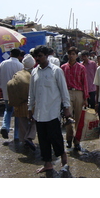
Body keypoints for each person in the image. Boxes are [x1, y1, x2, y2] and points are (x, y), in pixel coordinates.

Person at [28, 45, 71, 173]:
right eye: (36, 56)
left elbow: (64, 90)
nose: (37, 59)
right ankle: (48, 164)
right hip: (39, 113)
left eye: (40, 56)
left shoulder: (56, 71)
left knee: (56, 137)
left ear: (46, 56)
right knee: (43, 140)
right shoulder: (34, 72)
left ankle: (64, 159)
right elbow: (31, 93)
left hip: (52, 112)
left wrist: (67, 107)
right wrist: (30, 108)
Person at [7, 54, 37, 151]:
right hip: (32, 104)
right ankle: (29, 137)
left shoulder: (18, 74)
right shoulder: (35, 74)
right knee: (35, 122)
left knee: (23, 123)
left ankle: (24, 141)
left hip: (19, 104)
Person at [61, 47, 89, 150]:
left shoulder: (81, 68)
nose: (71, 55)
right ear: (67, 55)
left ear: (77, 56)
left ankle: (77, 141)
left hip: (79, 93)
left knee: (78, 118)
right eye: (70, 54)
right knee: (68, 118)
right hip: (67, 93)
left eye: (73, 54)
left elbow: (85, 83)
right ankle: (69, 139)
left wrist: (85, 98)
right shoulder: (63, 68)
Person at [0, 48, 24, 140]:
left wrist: (1, 87)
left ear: (10, 54)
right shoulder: (20, 65)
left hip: (6, 91)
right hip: (17, 92)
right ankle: (16, 135)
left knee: (8, 110)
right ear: (18, 55)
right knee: (17, 113)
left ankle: (5, 126)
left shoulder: (3, 64)